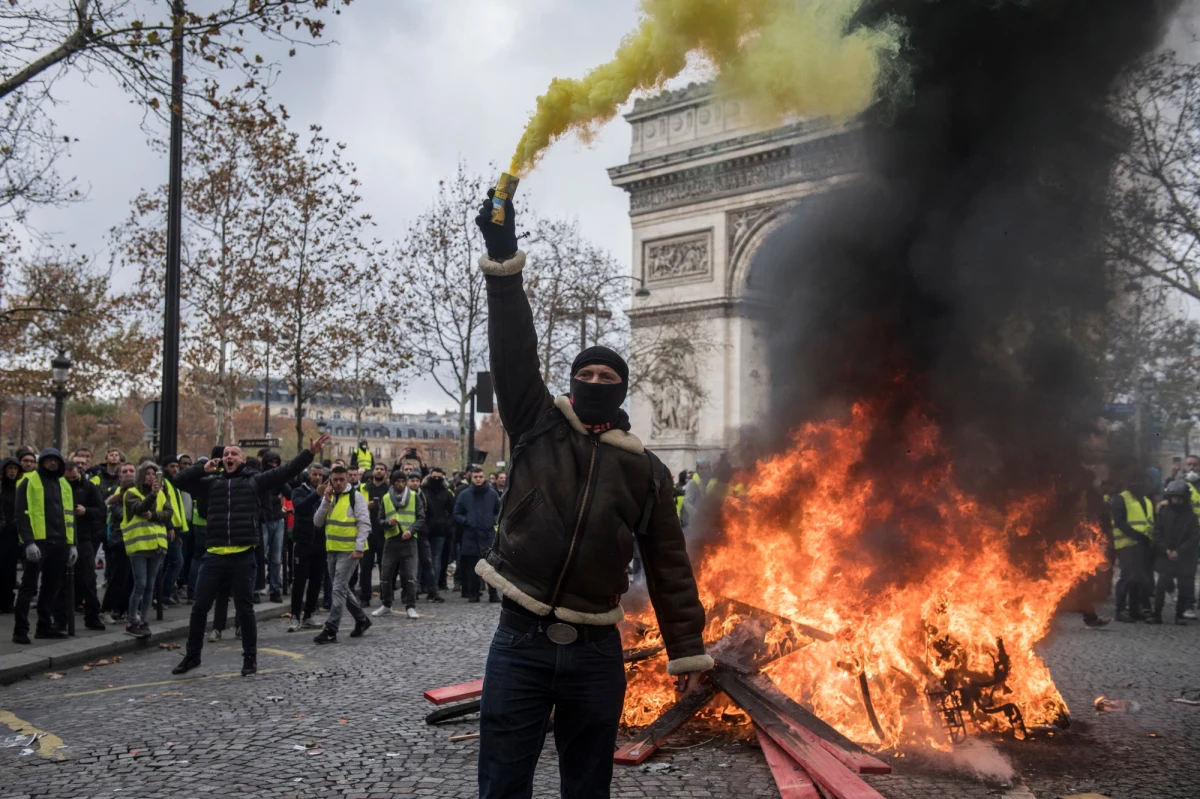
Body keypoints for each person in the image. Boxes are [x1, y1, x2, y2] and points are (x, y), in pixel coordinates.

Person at [473, 191, 711, 798]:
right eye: (587, 374)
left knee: (587, 788)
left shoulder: (647, 471)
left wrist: (687, 652)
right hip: (519, 638)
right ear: (571, 383)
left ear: (623, 389)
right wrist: (503, 263)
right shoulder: (534, 423)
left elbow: (669, 567)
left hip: (596, 651)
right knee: (503, 784)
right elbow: (513, 352)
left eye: (609, 377)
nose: (596, 381)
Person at [171, 434, 328, 676]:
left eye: (234, 454)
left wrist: (309, 454)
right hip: (213, 555)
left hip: (243, 555)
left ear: (243, 461)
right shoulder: (211, 483)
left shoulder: (255, 481)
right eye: (226, 455)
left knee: (245, 610)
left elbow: (286, 471)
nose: (229, 457)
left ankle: (250, 658)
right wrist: (201, 468)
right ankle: (192, 656)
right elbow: (179, 481)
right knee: (199, 608)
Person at [12, 448, 78, 644]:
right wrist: (29, 542)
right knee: (28, 587)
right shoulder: (29, 480)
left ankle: (43, 626)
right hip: (39, 541)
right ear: (42, 462)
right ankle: (20, 630)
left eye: (55, 461)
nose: (52, 464)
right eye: (48, 460)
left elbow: (70, 516)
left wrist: (72, 544)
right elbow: (21, 514)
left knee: (51, 587)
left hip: (59, 543)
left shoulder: (64, 483)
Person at [312, 464, 372, 643]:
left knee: (337, 589)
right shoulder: (329, 497)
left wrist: (359, 548)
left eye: (341, 480)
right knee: (342, 588)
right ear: (330, 479)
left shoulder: (356, 497)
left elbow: (364, 523)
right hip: (332, 548)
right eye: (335, 480)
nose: (338, 483)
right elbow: (317, 522)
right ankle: (362, 619)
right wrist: (325, 501)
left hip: (349, 551)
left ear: (347, 479)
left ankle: (331, 629)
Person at [118, 461, 172, 638]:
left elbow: (168, 513)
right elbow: (140, 509)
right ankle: (132, 619)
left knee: (150, 586)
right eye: (148, 474)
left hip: (157, 545)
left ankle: (144, 619)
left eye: (154, 473)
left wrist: (155, 515)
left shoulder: (163, 493)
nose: (151, 477)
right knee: (140, 584)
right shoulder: (131, 493)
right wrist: (153, 495)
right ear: (141, 476)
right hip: (139, 545)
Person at [374, 469, 425, 618]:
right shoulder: (385, 498)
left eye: (403, 481)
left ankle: (410, 606)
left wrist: (411, 530)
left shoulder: (415, 497)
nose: (401, 484)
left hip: (409, 540)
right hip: (391, 540)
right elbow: (379, 519)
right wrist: (387, 523)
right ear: (392, 482)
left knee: (410, 576)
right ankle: (386, 604)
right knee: (385, 575)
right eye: (398, 482)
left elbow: (421, 518)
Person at [62, 457, 106, 630]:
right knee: (60, 581)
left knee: (89, 579)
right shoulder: (58, 486)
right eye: (68, 478)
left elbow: (101, 510)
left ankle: (92, 615)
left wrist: (85, 511)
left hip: (83, 537)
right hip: (62, 538)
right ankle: (61, 617)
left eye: (74, 477)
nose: (72, 480)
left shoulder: (88, 487)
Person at [1150, 480, 1199, 625]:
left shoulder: (1191, 516)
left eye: (1179, 497)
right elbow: (1157, 533)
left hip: (1184, 557)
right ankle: (1156, 614)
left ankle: (1179, 615)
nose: (1176, 500)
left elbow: (1194, 537)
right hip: (1166, 554)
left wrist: (1179, 551)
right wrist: (1166, 550)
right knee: (1161, 586)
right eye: (1174, 497)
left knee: (1183, 586)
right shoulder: (1163, 513)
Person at [288, 465, 326, 633]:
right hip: (303, 541)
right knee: (299, 580)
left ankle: (308, 614)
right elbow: (299, 507)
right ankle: (295, 615)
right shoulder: (299, 490)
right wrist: (316, 494)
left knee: (316, 580)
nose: (317, 477)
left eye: (320, 475)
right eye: (314, 474)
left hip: (320, 541)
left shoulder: (326, 492)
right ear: (308, 475)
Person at [454, 467, 500, 603]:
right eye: (475, 477)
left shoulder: (492, 494)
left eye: (480, 476)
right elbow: (456, 513)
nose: (478, 479)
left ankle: (493, 594)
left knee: (491, 567)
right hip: (471, 535)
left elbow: (499, 510)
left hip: (487, 535)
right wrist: (466, 521)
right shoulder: (464, 495)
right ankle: (473, 593)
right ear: (471, 478)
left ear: (484, 477)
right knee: (472, 568)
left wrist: (493, 520)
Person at [1113, 476, 1154, 623]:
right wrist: (1136, 535)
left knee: (1138, 578)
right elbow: (1119, 521)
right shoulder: (1120, 499)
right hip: (1127, 544)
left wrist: (1149, 540)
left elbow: (1150, 523)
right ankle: (1120, 610)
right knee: (1127, 576)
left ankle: (1134, 609)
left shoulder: (1147, 501)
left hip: (1143, 544)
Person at [99, 462, 136, 624]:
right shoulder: (115, 503)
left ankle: (121, 610)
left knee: (130, 579)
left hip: (133, 543)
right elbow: (125, 516)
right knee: (117, 579)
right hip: (119, 543)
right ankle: (105, 609)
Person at [420, 467, 454, 603]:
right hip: (424, 529)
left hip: (440, 530)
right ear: (429, 477)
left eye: (439, 478)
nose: (436, 480)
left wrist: (447, 524)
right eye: (434, 477)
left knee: (435, 559)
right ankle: (421, 586)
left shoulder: (446, 493)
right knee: (423, 560)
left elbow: (453, 511)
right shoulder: (423, 491)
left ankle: (432, 588)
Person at [358, 462, 390, 607]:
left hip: (384, 532)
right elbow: (355, 507)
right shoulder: (363, 488)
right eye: (376, 469)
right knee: (366, 567)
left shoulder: (389, 490)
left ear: (386, 473)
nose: (378, 471)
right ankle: (365, 596)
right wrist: (367, 506)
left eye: (381, 469)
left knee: (386, 566)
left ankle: (385, 595)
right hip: (367, 531)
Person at [259, 451, 289, 603]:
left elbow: (288, 493)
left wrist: (281, 479)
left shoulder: (277, 478)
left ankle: (275, 589)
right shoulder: (260, 477)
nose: (273, 465)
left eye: (276, 463)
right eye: (271, 462)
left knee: (276, 558)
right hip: (264, 520)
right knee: (260, 556)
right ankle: (256, 589)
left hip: (277, 519)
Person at [159, 456, 189, 606]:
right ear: (165, 467)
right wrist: (169, 526)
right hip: (168, 527)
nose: (175, 469)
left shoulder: (174, 483)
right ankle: (163, 593)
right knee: (176, 562)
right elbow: (162, 505)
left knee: (172, 562)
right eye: (172, 466)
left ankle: (163, 594)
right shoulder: (163, 482)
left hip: (175, 528)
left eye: (177, 466)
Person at [0, 457, 21, 613]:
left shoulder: (19, 488)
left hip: (14, 534)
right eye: (10, 468)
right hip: (2, 533)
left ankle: (8, 601)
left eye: (15, 468)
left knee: (10, 570)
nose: (12, 471)